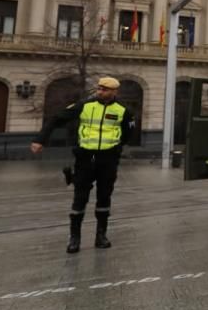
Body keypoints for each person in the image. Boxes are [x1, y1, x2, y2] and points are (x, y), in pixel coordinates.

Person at [31, 76, 136, 254]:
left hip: (108, 159)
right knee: (80, 197)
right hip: (85, 157)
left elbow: (128, 132)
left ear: (114, 92)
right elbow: (57, 118)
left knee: (104, 197)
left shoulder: (123, 111)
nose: (100, 91)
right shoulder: (85, 105)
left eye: (105, 89)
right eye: (99, 88)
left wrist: (117, 148)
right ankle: (74, 238)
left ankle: (101, 236)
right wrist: (40, 140)